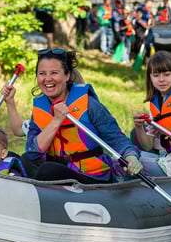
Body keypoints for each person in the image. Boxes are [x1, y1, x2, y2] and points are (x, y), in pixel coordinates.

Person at [23, 49, 143, 184]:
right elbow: (33, 152)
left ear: (67, 75)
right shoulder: (40, 107)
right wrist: (56, 121)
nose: (47, 79)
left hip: (90, 176)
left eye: (54, 73)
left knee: (47, 170)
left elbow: (116, 138)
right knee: (25, 159)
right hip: (57, 169)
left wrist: (131, 157)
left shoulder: (89, 104)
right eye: (42, 74)